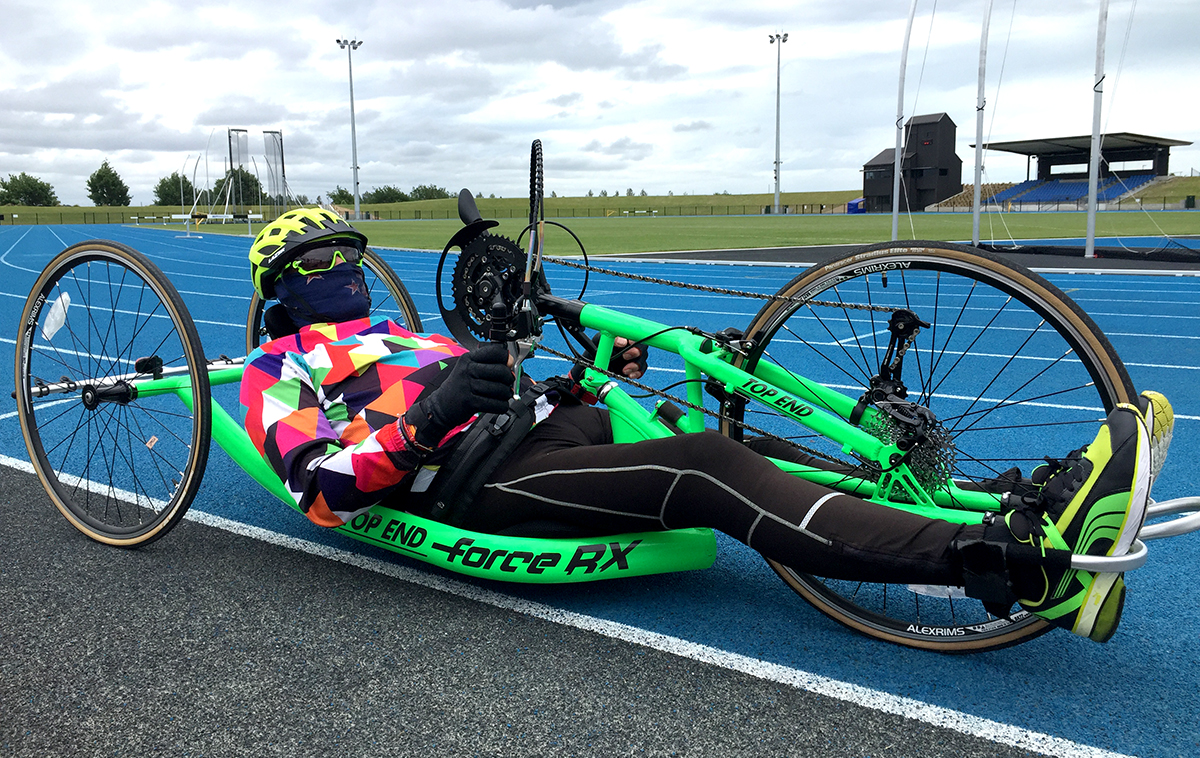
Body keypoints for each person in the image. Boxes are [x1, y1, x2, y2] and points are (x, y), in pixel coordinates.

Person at [241, 207, 1168, 643]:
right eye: (319, 263)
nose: (343, 272)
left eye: (350, 255)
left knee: (733, 420)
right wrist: (428, 419)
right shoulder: (273, 370)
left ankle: (997, 506)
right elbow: (320, 489)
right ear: (281, 289)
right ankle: (1019, 564)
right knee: (708, 466)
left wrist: (574, 378)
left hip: (544, 426)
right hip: (481, 480)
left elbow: (489, 381)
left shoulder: (400, 332)